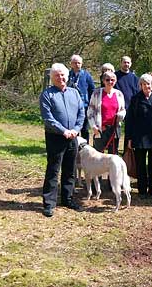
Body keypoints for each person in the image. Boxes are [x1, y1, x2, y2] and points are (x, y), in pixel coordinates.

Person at [39, 63, 85, 217]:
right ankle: (49, 203)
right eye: (57, 75)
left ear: (67, 76)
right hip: (55, 137)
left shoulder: (75, 93)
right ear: (52, 78)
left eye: (63, 75)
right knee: (53, 169)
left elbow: (81, 113)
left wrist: (76, 129)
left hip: (73, 136)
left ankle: (68, 198)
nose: (60, 78)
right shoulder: (47, 94)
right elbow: (48, 118)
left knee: (70, 169)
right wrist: (63, 130)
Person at [126, 74, 152, 198]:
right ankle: (142, 190)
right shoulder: (135, 99)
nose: (146, 86)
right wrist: (129, 138)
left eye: (148, 84)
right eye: (143, 84)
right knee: (140, 164)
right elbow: (130, 120)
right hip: (139, 137)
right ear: (140, 85)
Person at [87, 71, 126, 155]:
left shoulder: (119, 94)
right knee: (98, 156)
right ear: (103, 81)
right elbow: (90, 112)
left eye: (112, 80)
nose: (110, 82)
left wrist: (120, 115)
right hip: (100, 129)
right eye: (107, 80)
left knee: (113, 156)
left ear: (115, 81)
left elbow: (123, 110)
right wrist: (93, 127)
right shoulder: (97, 93)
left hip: (114, 129)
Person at [67, 54, 95, 142]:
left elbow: (92, 89)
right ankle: (74, 145)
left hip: (84, 105)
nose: (77, 65)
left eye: (79, 63)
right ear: (71, 64)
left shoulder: (86, 75)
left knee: (84, 128)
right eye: (75, 63)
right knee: (73, 126)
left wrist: (91, 103)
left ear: (82, 64)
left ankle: (85, 145)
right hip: (71, 105)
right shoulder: (67, 74)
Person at [115, 56, 139, 151]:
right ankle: (114, 151)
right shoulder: (114, 76)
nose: (126, 64)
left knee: (129, 132)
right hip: (116, 109)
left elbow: (136, 93)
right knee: (116, 132)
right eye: (124, 62)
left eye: (128, 62)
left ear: (131, 64)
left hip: (130, 109)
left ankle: (126, 152)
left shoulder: (135, 78)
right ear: (121, 63)